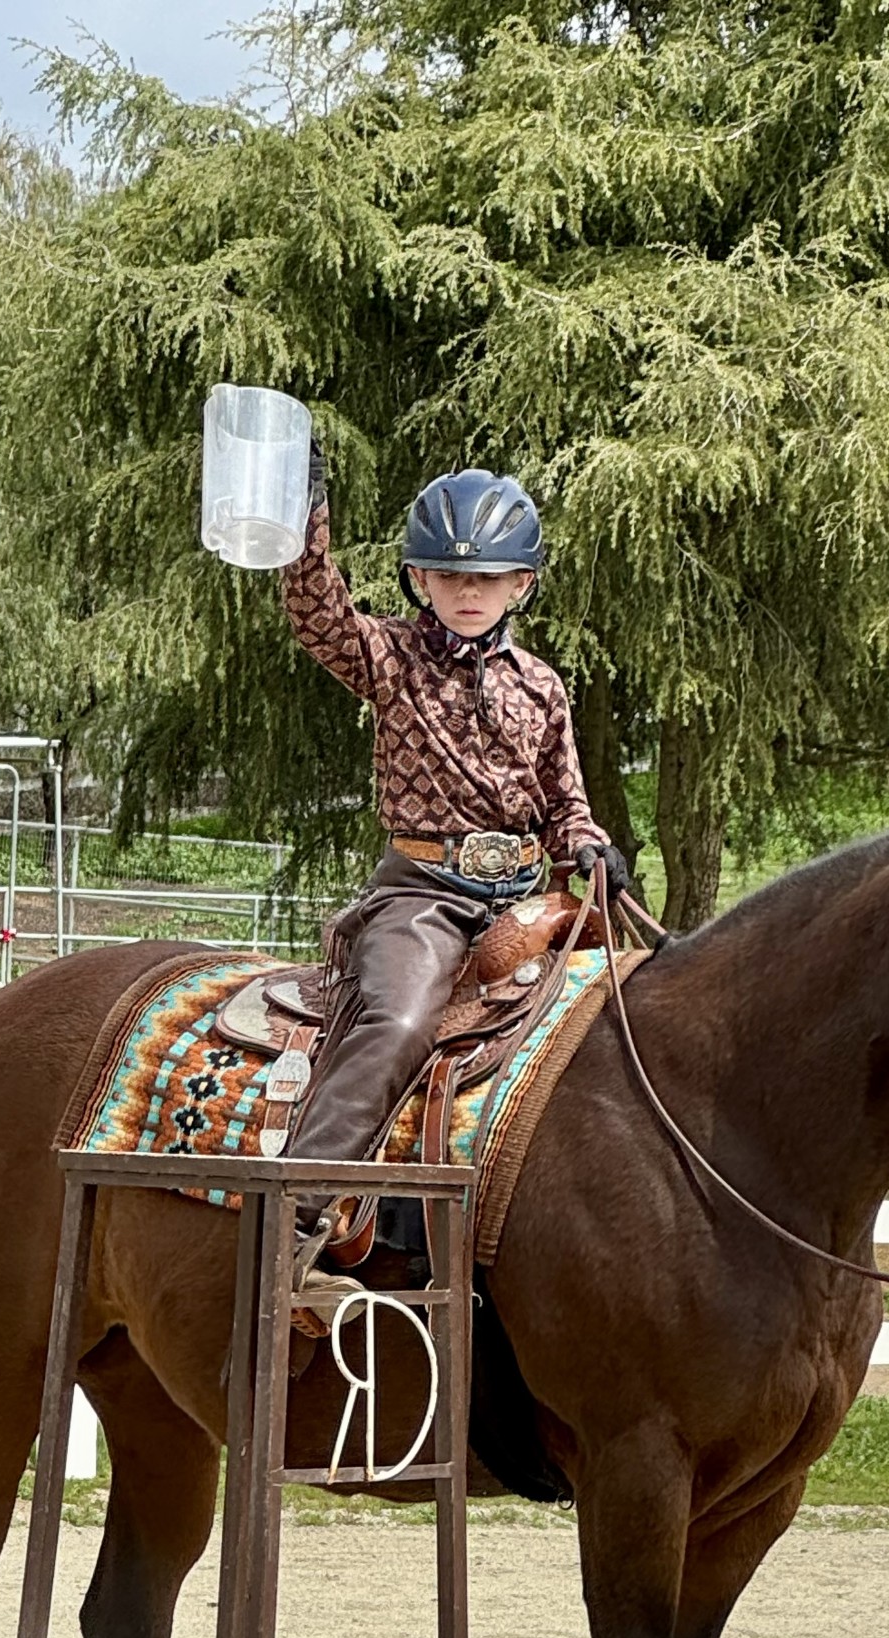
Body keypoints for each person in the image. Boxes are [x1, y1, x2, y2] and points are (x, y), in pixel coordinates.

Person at [278, 449, 629, 1249]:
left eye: (487, 579)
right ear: (419, 581)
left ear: (520, 586)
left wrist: (587, 846)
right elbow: (317, 613)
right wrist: (307, 522)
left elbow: (564, 800)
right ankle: (298, 1206)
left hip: (529, 898)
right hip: (424, 894)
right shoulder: (389, 658)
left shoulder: (541, 686)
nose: (468, 593)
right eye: (450, 577)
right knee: (401, 1022)